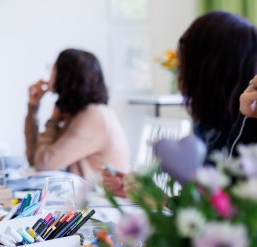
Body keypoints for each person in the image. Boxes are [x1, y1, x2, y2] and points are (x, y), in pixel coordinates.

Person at [104, 11, 257, 196]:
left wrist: (157, 199)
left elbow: (225, 202)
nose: (181, 72)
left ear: (208, 68)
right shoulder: (208, 120)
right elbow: (200, 192)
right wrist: (143, 188)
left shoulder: (248, 121)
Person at [25, 48, 130, 184]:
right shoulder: (78, 113)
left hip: (104, 196)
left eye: (53, 69)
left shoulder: (94, 116)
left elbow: (43, 164)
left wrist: (52, 122)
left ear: (65, 76)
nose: (49, 75)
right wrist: (33, 108)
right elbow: (34, 159)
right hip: (88, 194)